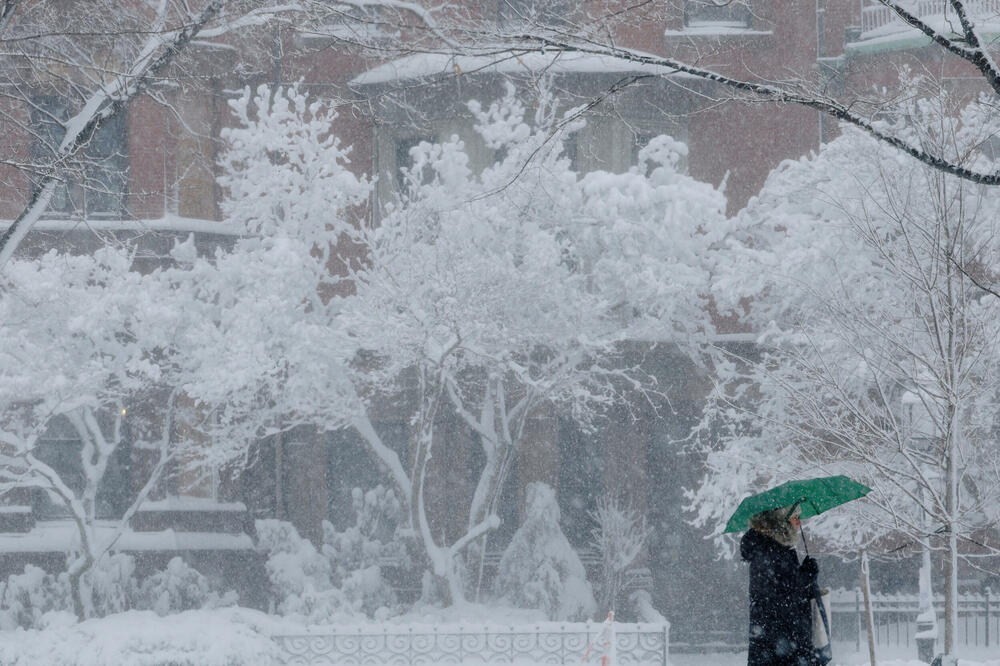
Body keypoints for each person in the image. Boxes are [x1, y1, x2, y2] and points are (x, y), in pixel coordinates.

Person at [740, 503, 820, 666]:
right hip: (783, 642)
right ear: (781, 520)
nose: (799, 523)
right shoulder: (774, 550)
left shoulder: (766, 547)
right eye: (795, 517)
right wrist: (808, 575)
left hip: (774, 642)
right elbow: (787, 594)